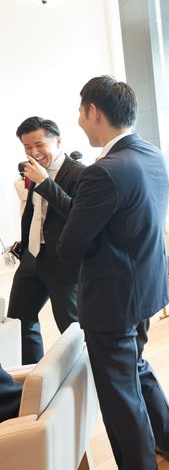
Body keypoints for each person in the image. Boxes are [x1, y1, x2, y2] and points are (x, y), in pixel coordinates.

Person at [54, 76, 169, 470]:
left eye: (80, 112)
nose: (78, 120)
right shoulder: (152, 155)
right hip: (144, 291)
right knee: (135, 369)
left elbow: (69, 247)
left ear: (94, 111)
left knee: (119, 396)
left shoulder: (103, 171)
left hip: (111, 303)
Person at [8, 117, 84, 364]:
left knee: (71, 328)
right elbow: (33, 212)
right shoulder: (33, 170)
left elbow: (77, 214)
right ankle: (31, 375)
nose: (34, 152)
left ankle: (85, 377)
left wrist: (45, 182)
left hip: (61, 261)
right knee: (18, 319)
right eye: (27, 147)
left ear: (58, 140)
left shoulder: (79, 173)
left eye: (39, 145)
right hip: (32, 256)